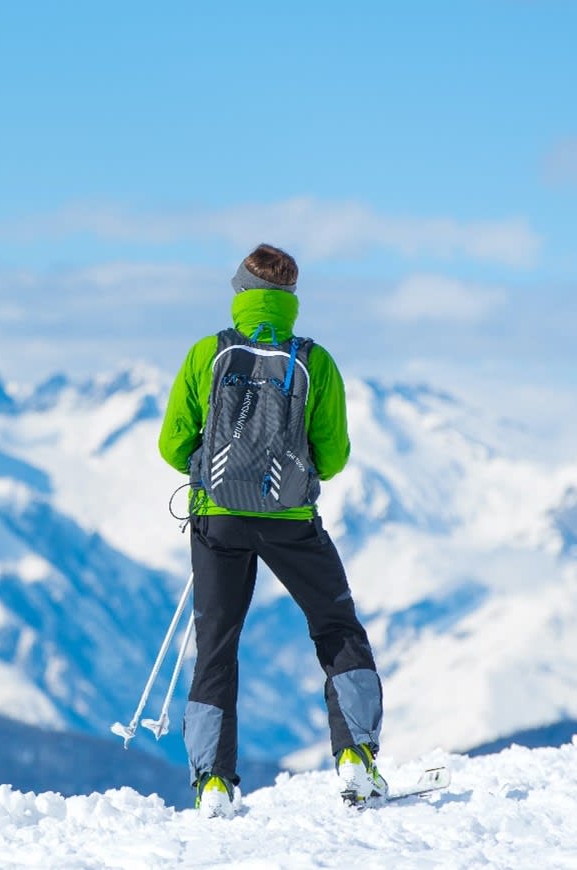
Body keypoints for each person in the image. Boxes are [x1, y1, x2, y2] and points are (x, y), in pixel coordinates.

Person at [158, 243, 385, 818]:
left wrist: (211, 472)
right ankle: (356, 755)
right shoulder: (315, 361)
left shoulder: (207, 355)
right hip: (290, 521)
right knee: (335, 627)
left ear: (239, 292)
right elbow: (332, 456)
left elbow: (171, 444)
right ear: (291, 299)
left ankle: (213, 783)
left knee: (217, 644)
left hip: (218, 518)